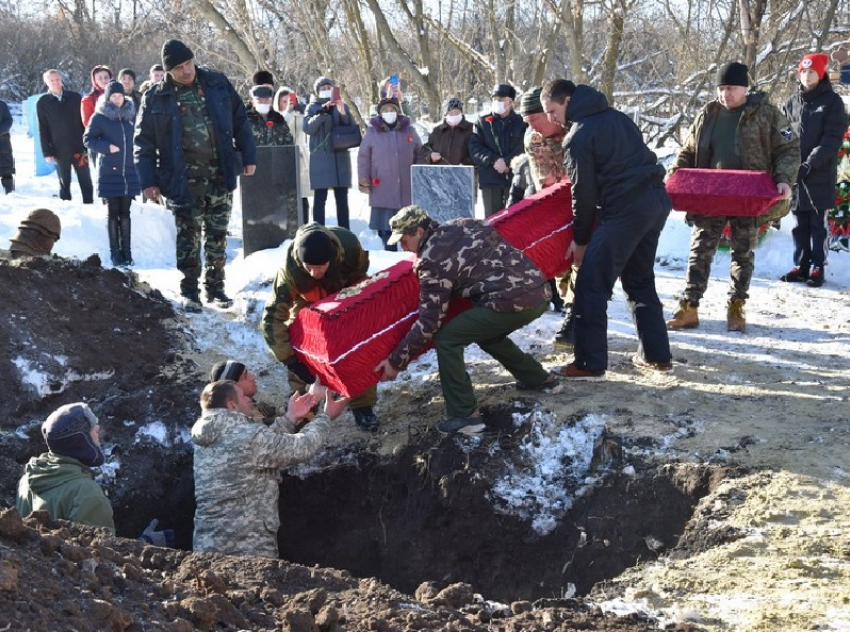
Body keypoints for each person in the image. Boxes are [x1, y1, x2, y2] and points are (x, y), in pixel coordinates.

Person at [374, 206, 560, 434]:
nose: (403, 247)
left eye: (404, 240)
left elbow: (429, 322)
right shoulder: (462, 224)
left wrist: (396, 362)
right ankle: (540, 379)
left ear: (419, 232)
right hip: (539, 291)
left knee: (447, 339)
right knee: (485, 334)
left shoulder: (431, 260)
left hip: (510, 302)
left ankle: (465, 415)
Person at [541, 78, 673, 380]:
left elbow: (582, 193)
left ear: (568, 101)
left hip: (626, 209)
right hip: (656, 201)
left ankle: (589, 363)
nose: (551, 118)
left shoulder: (577, 137)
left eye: (552, 110)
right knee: (639, 280)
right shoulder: (618, 118)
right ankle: (657, 355)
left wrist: (581, 240)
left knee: (591, 284)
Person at [665, 62, 799, 333]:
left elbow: (790, 148)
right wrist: (675, 174)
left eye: (732, 88)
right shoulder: (708, 113)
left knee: (743, 251)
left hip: (748, 196)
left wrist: (783, 179)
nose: (726, 94)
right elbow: (689, 150)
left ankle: (736, 307)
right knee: (700, 249)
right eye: (722, 88)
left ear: (745, 88)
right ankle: (689, 306)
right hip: (711, 193)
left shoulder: (767, 114)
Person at [134, 39, 257, 311]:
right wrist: (148, 181)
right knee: (188, 238)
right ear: (168, 71)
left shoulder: (216, 83)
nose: (186, 70)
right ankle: (190, 291)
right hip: (181, 179)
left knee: (217, 235)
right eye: (178, 68)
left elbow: (240, 119)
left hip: (219, 173)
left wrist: (249, 155)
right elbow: (143, 143)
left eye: (188, 63)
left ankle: (216, 288)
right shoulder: (156, 96)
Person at [191, 379, 348, 557]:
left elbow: (262, 447)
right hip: (246, 548)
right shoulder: (246, 437)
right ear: (231, 405)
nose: (250, 399)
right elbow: (302, 447)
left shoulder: (209, 436)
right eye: (243, 396)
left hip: (207, 548)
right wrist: (326, 417)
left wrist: (291, 417)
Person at [262, 222, 380, 431]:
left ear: (332, 259)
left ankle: (363, 405)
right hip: (307, 300)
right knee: (301, 341)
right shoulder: (291, 270)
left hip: (344, 294)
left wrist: (351, 310)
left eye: (320, 267)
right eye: (309, 268)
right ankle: (304, 407)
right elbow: (273, 318)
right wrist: (291, 360)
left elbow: (362, 282)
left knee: (358, 342)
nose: (315, 273)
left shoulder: (350, 247)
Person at [781, 53, 848, 288]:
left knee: (817, 224)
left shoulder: (831, 102)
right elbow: (783, 131)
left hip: (819, 173)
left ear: (820, 75)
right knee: (800, 225)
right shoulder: (791, 102)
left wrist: (809, 163)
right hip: (796, 174)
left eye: (811, 72)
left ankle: (818, 266)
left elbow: (832, 138)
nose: (806, 76)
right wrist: (788, 157)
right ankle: (801, 265)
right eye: (803, 72)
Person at [514, 86, 570, 321]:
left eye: (535, 119)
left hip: (588, 201)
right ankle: (567, 306)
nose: (532, 126)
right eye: (527, 122)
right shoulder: (533, 138)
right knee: (560, 255)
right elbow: (545, 183)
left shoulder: (574, 130)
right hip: (558, 203)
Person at [16, 402, 114, 533]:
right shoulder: (86, 493)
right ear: (81, 441)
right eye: (94, 429)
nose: (98, 431)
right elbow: (99, 551)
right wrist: (143, 543)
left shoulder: (28, 478)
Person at [84, 80, 141, 267]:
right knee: (112, 213)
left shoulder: (131, 116)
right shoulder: (99, 117)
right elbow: (88, 139)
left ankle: (127, 252)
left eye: (120, 96)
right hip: (109, 171)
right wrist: (106, 147)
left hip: (129, 171)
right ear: (107, 98)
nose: (117, 99)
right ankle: (115, 252)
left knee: (126, 214)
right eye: (114, 96)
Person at [357, 96, 426, 249]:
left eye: (392, 110)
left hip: (406, 186)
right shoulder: (372, 133)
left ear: (397, 112)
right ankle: (389, 253)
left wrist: (418, 174)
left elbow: (419, 152)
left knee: (409, 227)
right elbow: (363, 157)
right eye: (386, 110)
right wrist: (364, 179)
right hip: (381, 185)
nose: (389, 113)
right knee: (386, 226)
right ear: (380, 114)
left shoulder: (409, 130)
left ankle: (409, 253)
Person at [469, 83, 527, 217]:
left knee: (515, 218)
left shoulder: (521, 122)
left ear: (511, 101)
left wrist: (507, 162)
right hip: (490, 179)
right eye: (495, 99)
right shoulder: (482, 122)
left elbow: (523, 147)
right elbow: (475, 148)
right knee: (492, 221)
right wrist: (494, 160)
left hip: (515, 178)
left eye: (501, 99)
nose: (497, 102)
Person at [36, 69, 94, 204]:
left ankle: (89, 204)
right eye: (52, 80)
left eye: (57, 79)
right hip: (59, 150)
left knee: (85, 178)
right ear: (47, 83)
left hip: (79, 148)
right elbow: (43, 129)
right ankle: (65, 206)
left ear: (62, 80)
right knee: (64, 180)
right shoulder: (43, 102)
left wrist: (88, 141)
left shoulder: (75, 97)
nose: (56, 82)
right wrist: (47, 151)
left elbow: (84, 122)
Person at [304, 77, 354, 229]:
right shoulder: (311, 107)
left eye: (329, 87)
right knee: (320, 198)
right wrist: (321, 112)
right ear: (317, 91)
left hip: (340, 158)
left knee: (342, 199)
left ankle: (345, 232)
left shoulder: (342, 105)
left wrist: (341, 111)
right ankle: (318, 232)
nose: (326, 90)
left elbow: (350, 127)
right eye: (323, 88)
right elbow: (308, 128)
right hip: (321, 158)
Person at [275, 85, 311, 224]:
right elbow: (281, 128)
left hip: (301, 161)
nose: (287, 104)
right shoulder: (278, 117)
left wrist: (303, 110)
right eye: (283, 101)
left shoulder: (299, 115)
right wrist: (289, 112)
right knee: (287, 198)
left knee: (303, 199)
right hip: (284, 161)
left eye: (289, 100)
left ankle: (305, 226)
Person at [209, 360, 277, 423]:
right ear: (234, 387)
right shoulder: (240, 421)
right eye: (245, 376)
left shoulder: (252, 405)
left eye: (247, 373)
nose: (252, 377)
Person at [425, 97, 474, 167]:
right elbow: (425, 149)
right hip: (441, 174)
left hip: (464, 174)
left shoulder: (471, 129)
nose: (454, 115)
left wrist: (466, 163)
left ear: (461, 113)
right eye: (451, 112)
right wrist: (430, 156)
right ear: (446, 114)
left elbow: (478, 151)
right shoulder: (437, 131)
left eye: (457, 112)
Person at [0, 98, 14, 193]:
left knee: (6, 168)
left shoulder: (2, 104)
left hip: (3, 141)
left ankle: (9, 192)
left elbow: (8, 120)